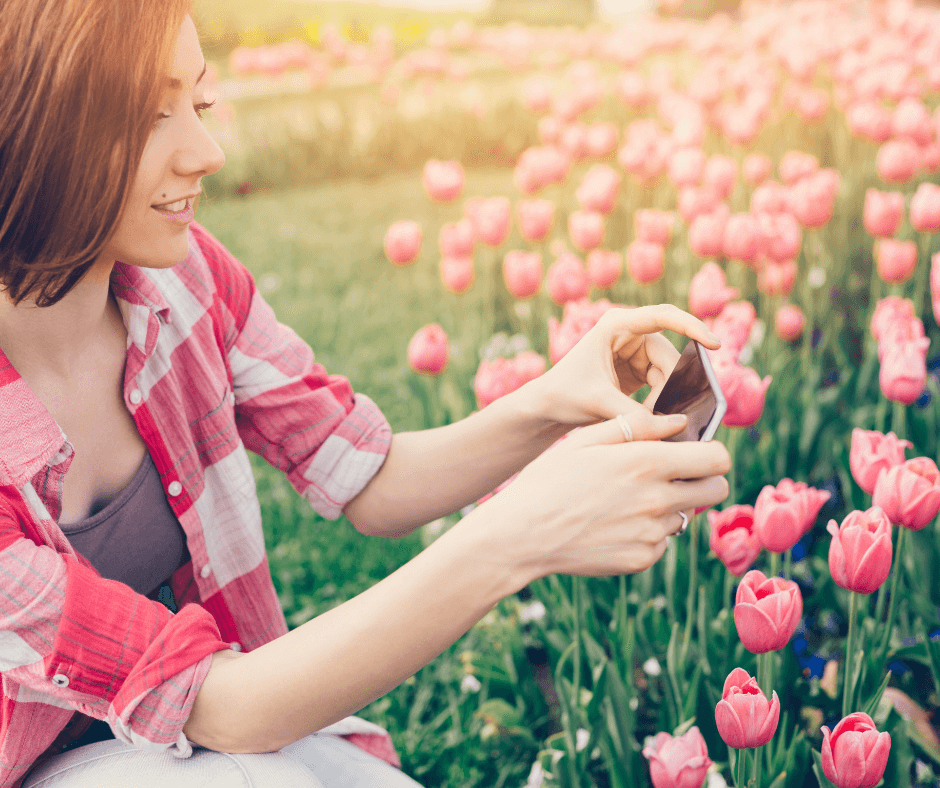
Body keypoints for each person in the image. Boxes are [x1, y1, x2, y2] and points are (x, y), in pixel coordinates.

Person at [0, 2, 731, 786]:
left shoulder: (186, 285)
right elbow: (227, 705)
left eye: (200, 104)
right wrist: (519, 537)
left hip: (184, 737)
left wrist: (552, 400)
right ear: (34, 128)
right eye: (151, 117)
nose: (207, 152)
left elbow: (371, 478)